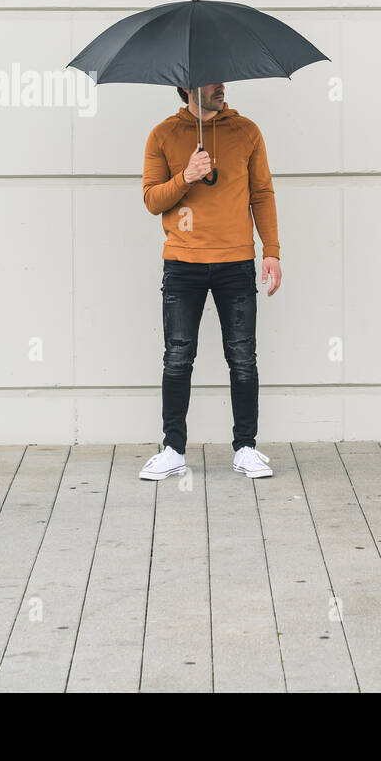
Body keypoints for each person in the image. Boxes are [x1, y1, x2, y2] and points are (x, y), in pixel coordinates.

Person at [137, 81, 282, 481]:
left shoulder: (246, 131)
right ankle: (172, 449)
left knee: (242, 357)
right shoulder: (163, 135)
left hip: (236, 261)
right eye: (211, 80)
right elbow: (152, 200)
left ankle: (246, 447)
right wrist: (187, 176)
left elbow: (262, 193)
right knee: (178, 356)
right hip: (183, 263)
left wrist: (271, 250)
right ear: (187, 86)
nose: (222, 87)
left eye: (223, 79)